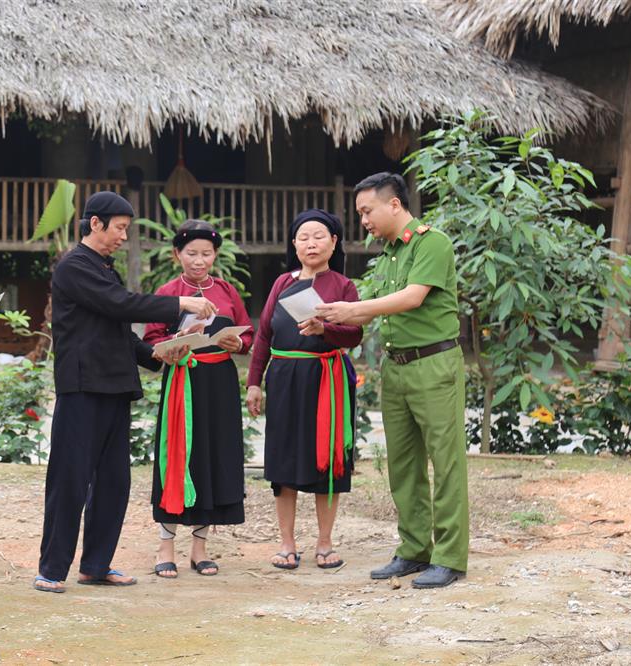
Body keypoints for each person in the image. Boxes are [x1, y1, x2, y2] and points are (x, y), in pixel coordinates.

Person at [33, 191, 218, 593]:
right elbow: (119, 304)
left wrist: (157, 353)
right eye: (119, 228)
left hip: (114, 386)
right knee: (70, 479)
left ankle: (96, 565)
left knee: (114, 481)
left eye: (127, 229)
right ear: (95, 223)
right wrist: (179, 303)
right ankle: (51, 568)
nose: (123, 236)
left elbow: (115, 328)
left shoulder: (102, 266)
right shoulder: (73, 266)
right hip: (82, 386)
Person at [316, 172, 468, 589]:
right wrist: (330, 317)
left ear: (394, 205)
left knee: (446, 462)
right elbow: (373, 309)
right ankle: (414, 550)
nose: (362, 219)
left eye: (367, 210)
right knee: (403, 465)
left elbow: (412, 297)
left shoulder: (430, 242)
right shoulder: (388, 255)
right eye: (360, 212)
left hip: (434, 365)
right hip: (396, 367)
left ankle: (450, 557)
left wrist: (354, 310)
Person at [246, 209, 362, 571]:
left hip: (328, 378)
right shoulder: (282, 283)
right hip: (283, 378)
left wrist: (325, 329)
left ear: (333, 242)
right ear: (294, 244)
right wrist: (253, 382)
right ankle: (286, 542)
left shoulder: (343, 286)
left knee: (328, 458)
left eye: (318, 236)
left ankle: (325, 543)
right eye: (303, 237)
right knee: (283, 460)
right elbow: (264, 334)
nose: (311, 243)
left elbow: (355, 334)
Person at [142, 219, 254, 578]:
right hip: (182, 380)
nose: (199, 260)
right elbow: (151, 340)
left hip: (219, 382)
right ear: (177, 254)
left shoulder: (226, 291)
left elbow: (246, 334)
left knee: (212, 456)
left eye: (206, 253)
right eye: (191, 253)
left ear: (215, 255)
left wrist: (239, 343)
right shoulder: (168, 291)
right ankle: (165, 546)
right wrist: (175, 340)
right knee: (178, 455)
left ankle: (200, 548)